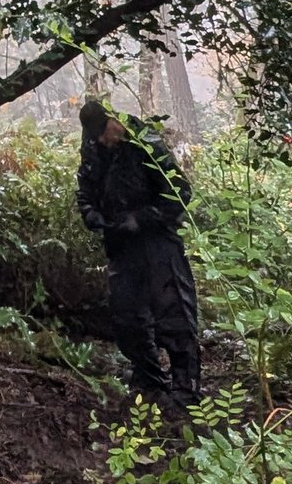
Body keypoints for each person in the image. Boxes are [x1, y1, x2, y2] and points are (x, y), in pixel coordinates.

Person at [75, 97, 201, 404]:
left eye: (106, 132)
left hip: (158, 242)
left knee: (174, 315)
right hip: (121, 244)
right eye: (98, 136)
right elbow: (85, 189)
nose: (105, 140)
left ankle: (186, 390)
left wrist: (142, 218)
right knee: (127, 318)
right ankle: (148, 379)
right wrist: (91, 213)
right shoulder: (93, 148)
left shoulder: (145, 143)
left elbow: (180, 193)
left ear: (114, 122)